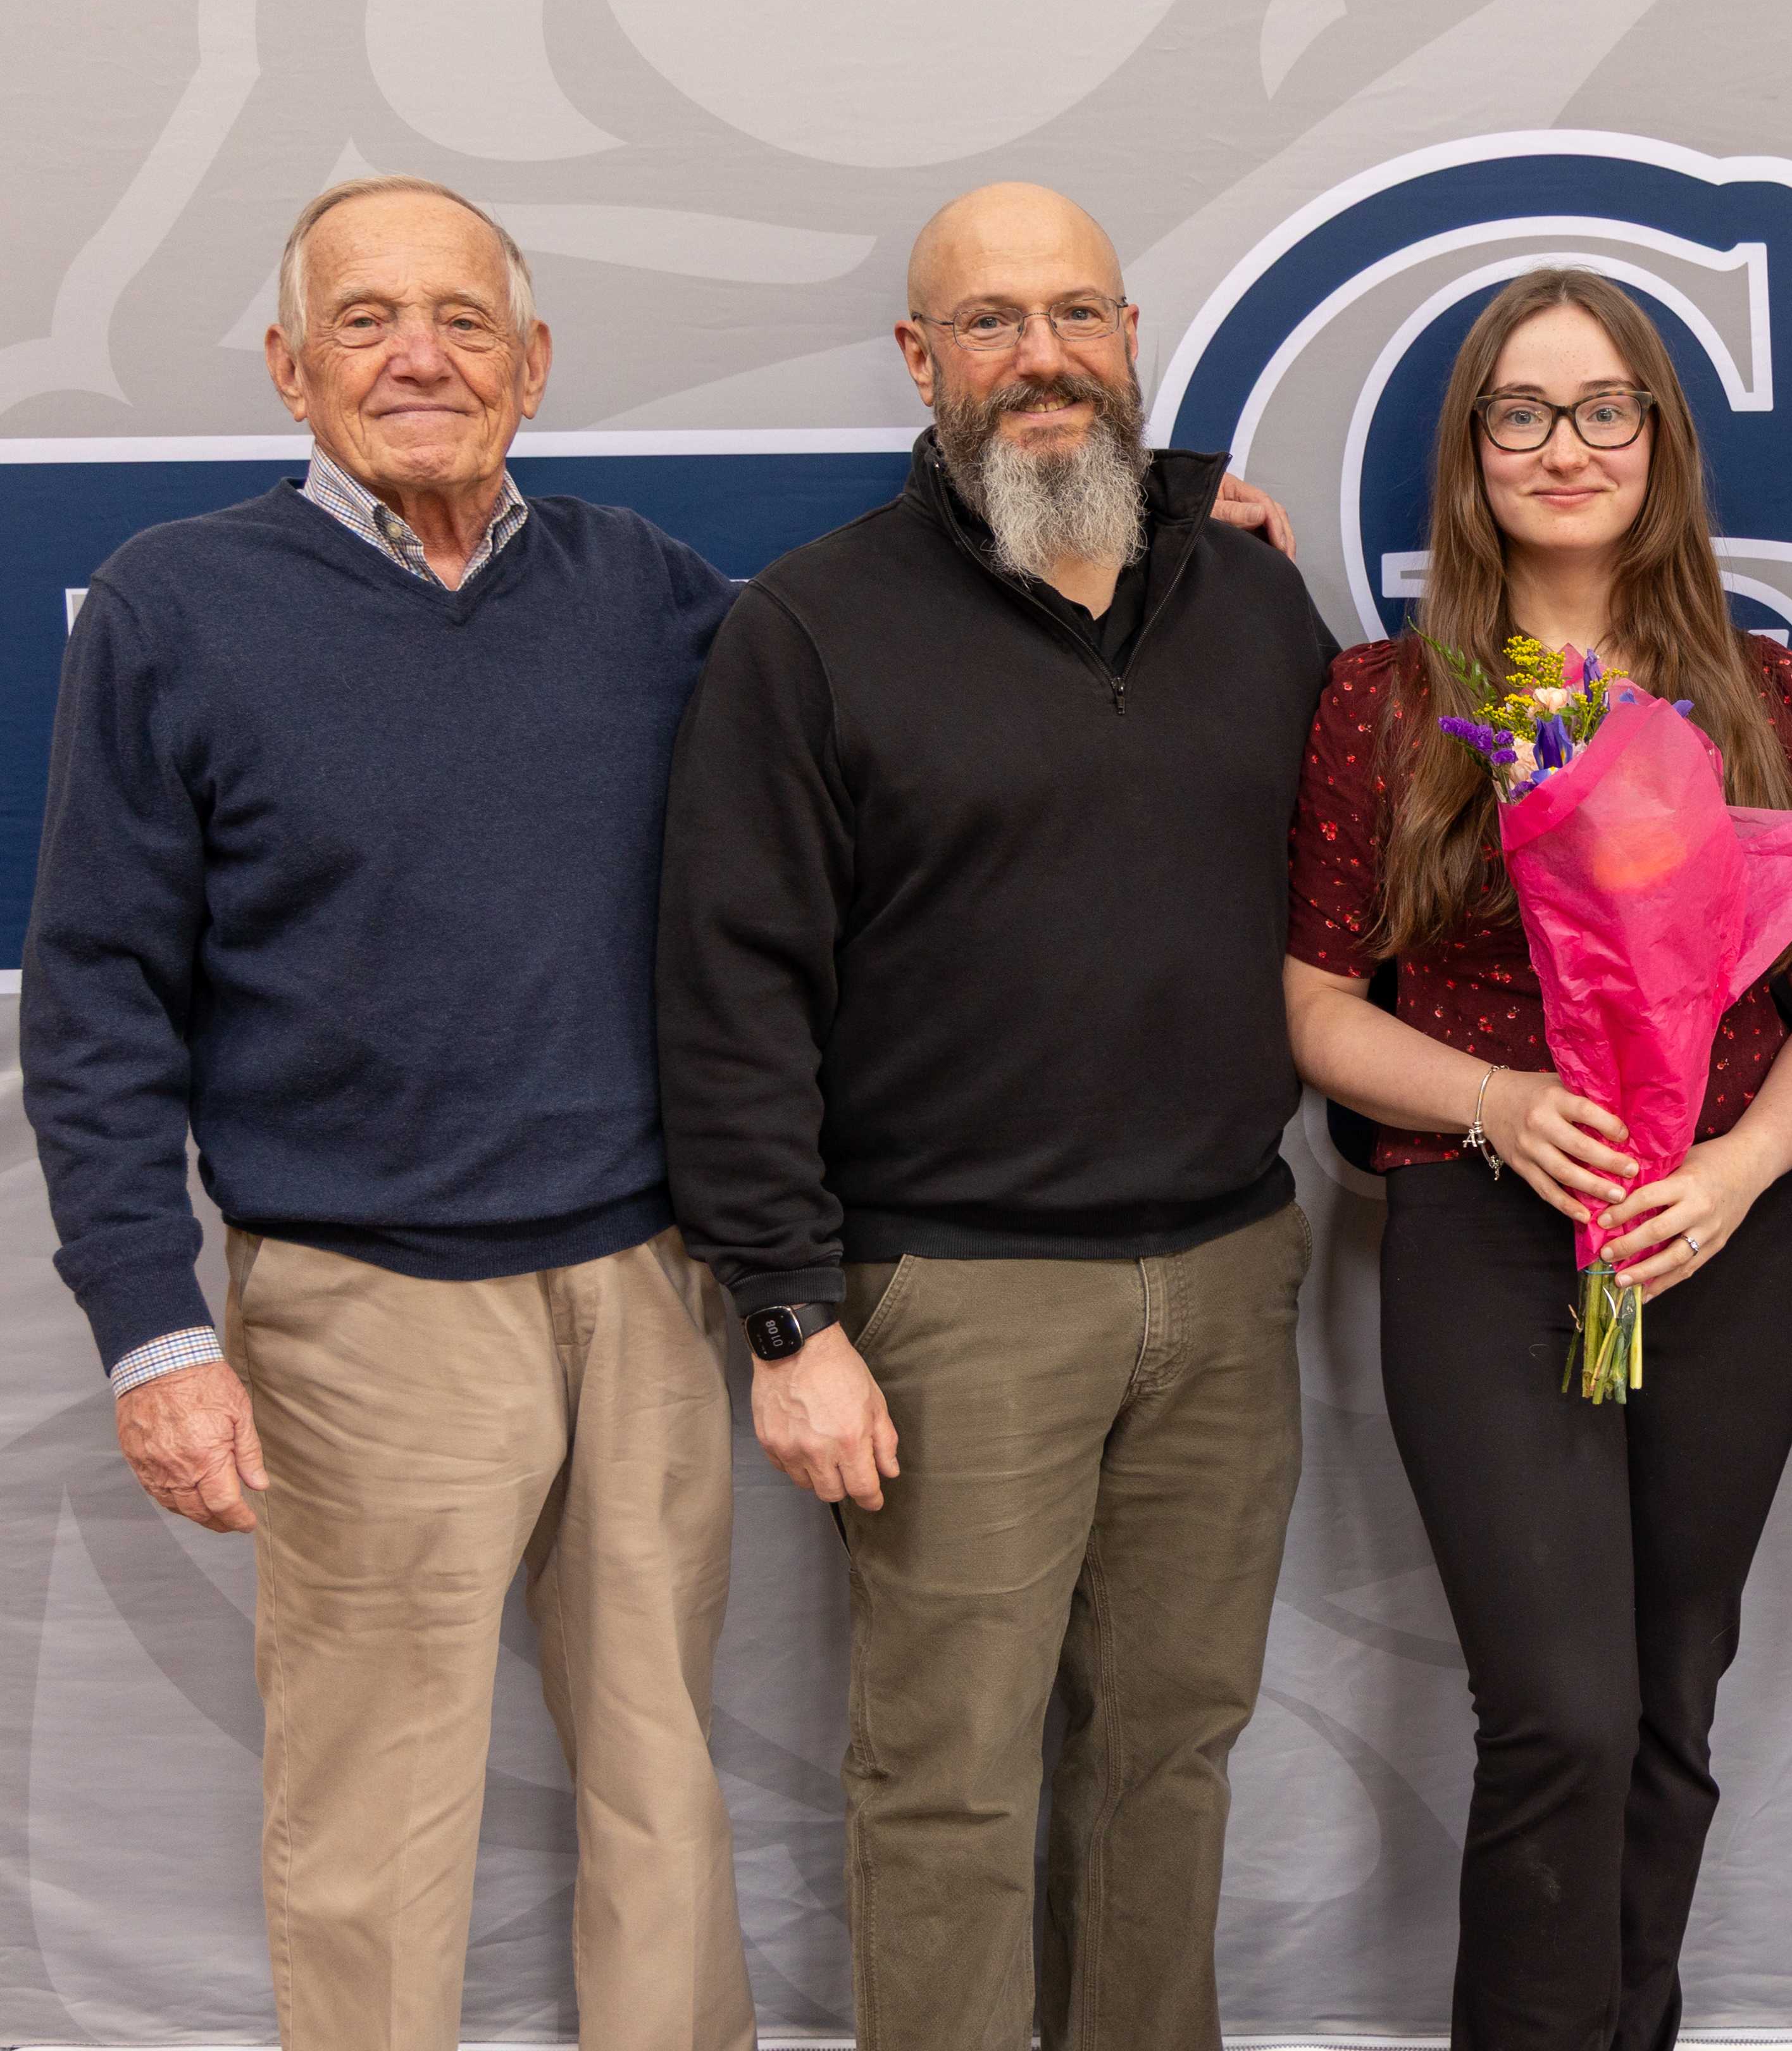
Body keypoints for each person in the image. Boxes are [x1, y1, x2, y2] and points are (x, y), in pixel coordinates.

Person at [19, 174, 757, 2051]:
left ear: (530, 364)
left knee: (666, 1789)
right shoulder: (180, 608)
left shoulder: (649, 593)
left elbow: (894, 696)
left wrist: (1158, 533)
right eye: (365, 321)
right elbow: (99, 997)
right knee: (376, 1817)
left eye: (458, 318)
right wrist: (152, 1330)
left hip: (646, 1287)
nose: (418, 354)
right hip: (364, 1310)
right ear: (288, 368)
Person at [655, 180, 1332, 2051]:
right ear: (919, 361)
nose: (1041, 357)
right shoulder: (810, 632)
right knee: (946, 1780)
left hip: (1221, 1270)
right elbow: (731, 1001)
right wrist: (790, 1322)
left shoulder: (1256, 599)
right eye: (989, 322)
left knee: (1168, 1754)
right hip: (950, 1299)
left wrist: (1202, 498)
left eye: (1079, 316)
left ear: (1131, 344)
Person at [1281, 266, 1792, 2051]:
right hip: (1484, 1236)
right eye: (1520, 411)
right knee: (1557, 1712)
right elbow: (1313, 1005)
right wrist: (1497, 1101)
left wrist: (1738, 1167)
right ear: (1470, 452)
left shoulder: (1759, 694)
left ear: (1658, 442)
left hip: (1722, 1252)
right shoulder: (1388, 701)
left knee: (1672, 1704)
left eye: (1601, 406)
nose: (1564, 445)